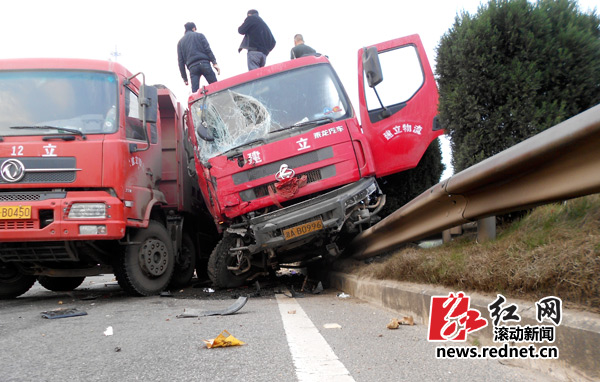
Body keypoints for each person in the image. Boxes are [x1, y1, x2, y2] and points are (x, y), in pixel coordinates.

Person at [177, 22, 220, 93]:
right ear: (193, 28)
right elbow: (208, 50)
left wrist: (185, 78)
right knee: (216, 88)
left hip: (192, 68)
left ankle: (197, 103)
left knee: (195, 93)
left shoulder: (180, 43)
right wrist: (214, 63)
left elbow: (180, 62)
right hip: (204, 63)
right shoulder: (200, 36)